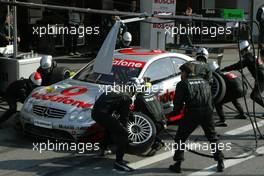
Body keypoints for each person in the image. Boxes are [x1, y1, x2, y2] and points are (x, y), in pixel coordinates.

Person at [169, 62, 224, 173]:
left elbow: (177, 105)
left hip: (193, 113)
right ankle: (220, 162)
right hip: (208, 112)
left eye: (182, 72)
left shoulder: (182, 84)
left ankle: (178, 164)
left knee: (180, 137)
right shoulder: (205, 82)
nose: (181, 75)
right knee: (212, 137)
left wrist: (170, 118)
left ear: (186, 72)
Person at [195, 48, 247, 127]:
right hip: (243, 88)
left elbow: (215, 89)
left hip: (236, 89)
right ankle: (242, 113)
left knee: (218, 102)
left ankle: (222, 120)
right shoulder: (223, 72)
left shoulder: (216, 78)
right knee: (233, 98)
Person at [91, 85, 134, 172]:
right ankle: (119, 162)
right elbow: (124, 118)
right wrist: (126, 133)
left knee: (110, 127)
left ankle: (102, 149)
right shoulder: (127, 97)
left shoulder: (115, 88)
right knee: (123, 133)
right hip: (103, 114)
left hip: (95, 112)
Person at [221, 40, 264, 109]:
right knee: (256, 95)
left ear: (246, 49)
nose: (241, 53)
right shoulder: (252, 56)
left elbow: (237, 65)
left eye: (242, 51)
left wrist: (224, 69)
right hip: (260, 79)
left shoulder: (248, 58)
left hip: (261, 79)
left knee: (254, 96)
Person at [133, 78, 166, 156]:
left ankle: (157, 143)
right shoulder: (153, 94)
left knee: (139, 126)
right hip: (163, 120)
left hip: (155, 124)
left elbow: (135, 114)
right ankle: (158, 142)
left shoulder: (139, 98)